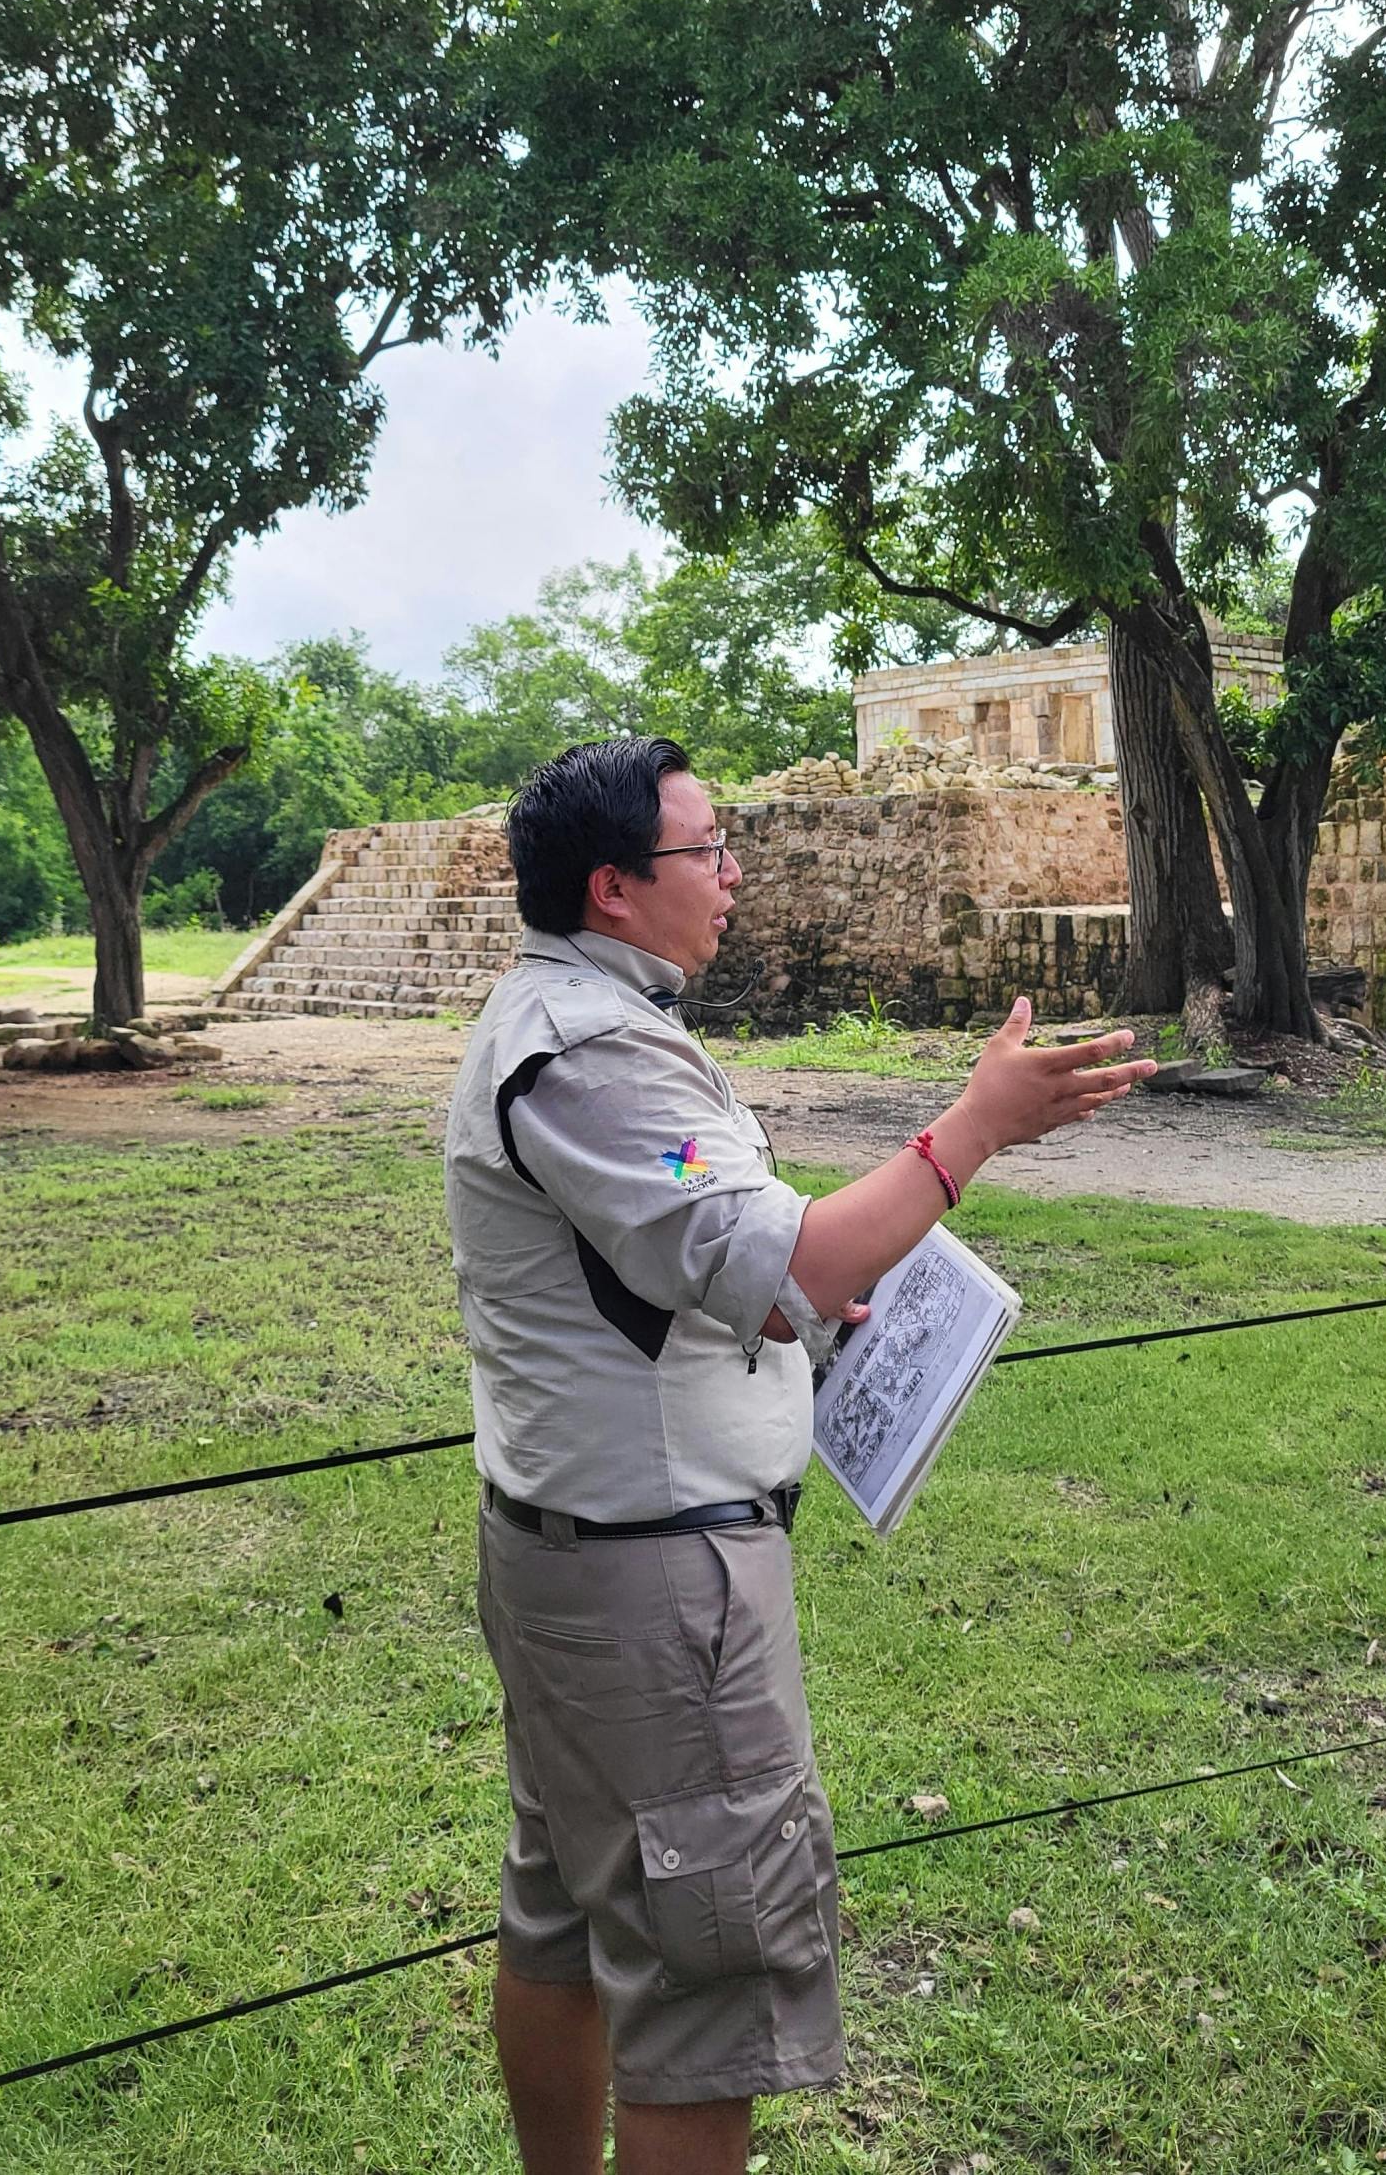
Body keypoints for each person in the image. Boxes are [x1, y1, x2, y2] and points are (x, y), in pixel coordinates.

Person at [444, 735, 1155, 2175]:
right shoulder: (588, 1052)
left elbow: (711, 1278)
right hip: (656, 1596)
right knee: (705, 1978)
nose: (733, 874)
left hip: (577, 1561)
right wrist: (974, 1129)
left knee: (572, 1915)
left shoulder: (574, 1015)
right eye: (707, 851)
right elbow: (782, 1266)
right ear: (616, 886)